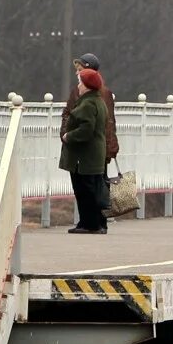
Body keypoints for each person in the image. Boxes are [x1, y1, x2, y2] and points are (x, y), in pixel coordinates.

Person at [61, 67, 111, 233]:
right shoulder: (97, 100)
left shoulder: (88, 103)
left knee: (86, 190)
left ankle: (91, 224)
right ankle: (89, 223)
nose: (78, 86)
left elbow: (86, 129)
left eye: (80, 82)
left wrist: (69, 136)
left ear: (88, 85)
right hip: (92, 155)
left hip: (85, 157)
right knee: (91, 190)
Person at [61, 52, 118, 164]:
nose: (76, 73)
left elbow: (108, 122)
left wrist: (108, 150)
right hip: (79, 149)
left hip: (94, 151)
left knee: (91, 180)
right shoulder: (76, 92)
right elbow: (67, 114)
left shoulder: (104, 94)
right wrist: (65, 136)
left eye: (80, 70)